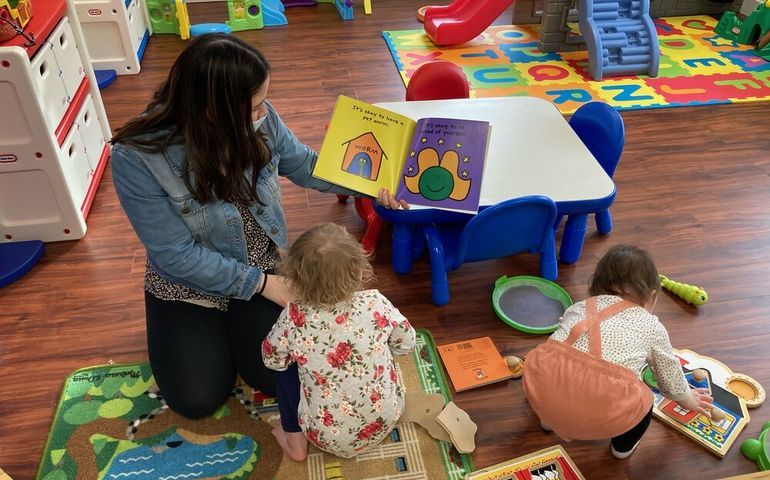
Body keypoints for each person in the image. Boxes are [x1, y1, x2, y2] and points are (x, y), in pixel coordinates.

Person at [110, 34, 404, 431]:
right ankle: (217, 333)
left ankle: (231, 332)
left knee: (274, 374)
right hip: (191, 285)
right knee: (196, 399)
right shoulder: (137, 156)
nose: (264, 112)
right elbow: (176, 256)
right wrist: (263, 285)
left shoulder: (260, 120)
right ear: (213, 111)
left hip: (263, 268)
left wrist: (373, 186)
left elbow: (305, 165)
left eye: (263, 99)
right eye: (253, 106)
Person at [523, 245, 713, 459]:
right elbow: (670, 377)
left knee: (556, 374)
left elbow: (562, 337)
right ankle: (622, 448)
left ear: (596, 288)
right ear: (652, 296)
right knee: (644, 401)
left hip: (543, 385)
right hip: (601, 402)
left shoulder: (579, 307)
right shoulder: (651, 326)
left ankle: (548, 420)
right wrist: (687, 399)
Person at [262, 223, 416, 460]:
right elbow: (406, 344)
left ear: (293, 279)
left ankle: (294, 438)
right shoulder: (376, 303)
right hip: (386, 417)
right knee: (380, 343)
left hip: (325, 435)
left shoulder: (294, 316)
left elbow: (271, 359)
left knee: (285, 367)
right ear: (358, 271)